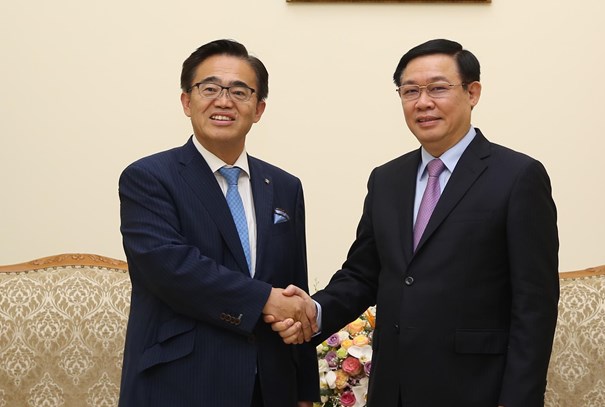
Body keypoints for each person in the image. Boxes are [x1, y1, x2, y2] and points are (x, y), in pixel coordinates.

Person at [269, 39, 559, 407]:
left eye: (438, 88)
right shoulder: (387, 179)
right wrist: (314, 311)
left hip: (477, 389)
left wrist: (518, 399)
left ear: (473, 93)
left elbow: (535, 304)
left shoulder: (518, 176)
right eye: (410, 91)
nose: (423, 102)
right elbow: (362, 274)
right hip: (394, 389)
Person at [118, 39, 318, 407]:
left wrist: (304, 389)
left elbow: (295, 285)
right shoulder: (149, 177)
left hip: (270, 386)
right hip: (180, 382)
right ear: (186, 101)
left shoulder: (285, 186)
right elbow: (170, 268)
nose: (224, 101)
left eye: (239, 92)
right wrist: (264, 300)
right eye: (209, 88)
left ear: (258, 109)